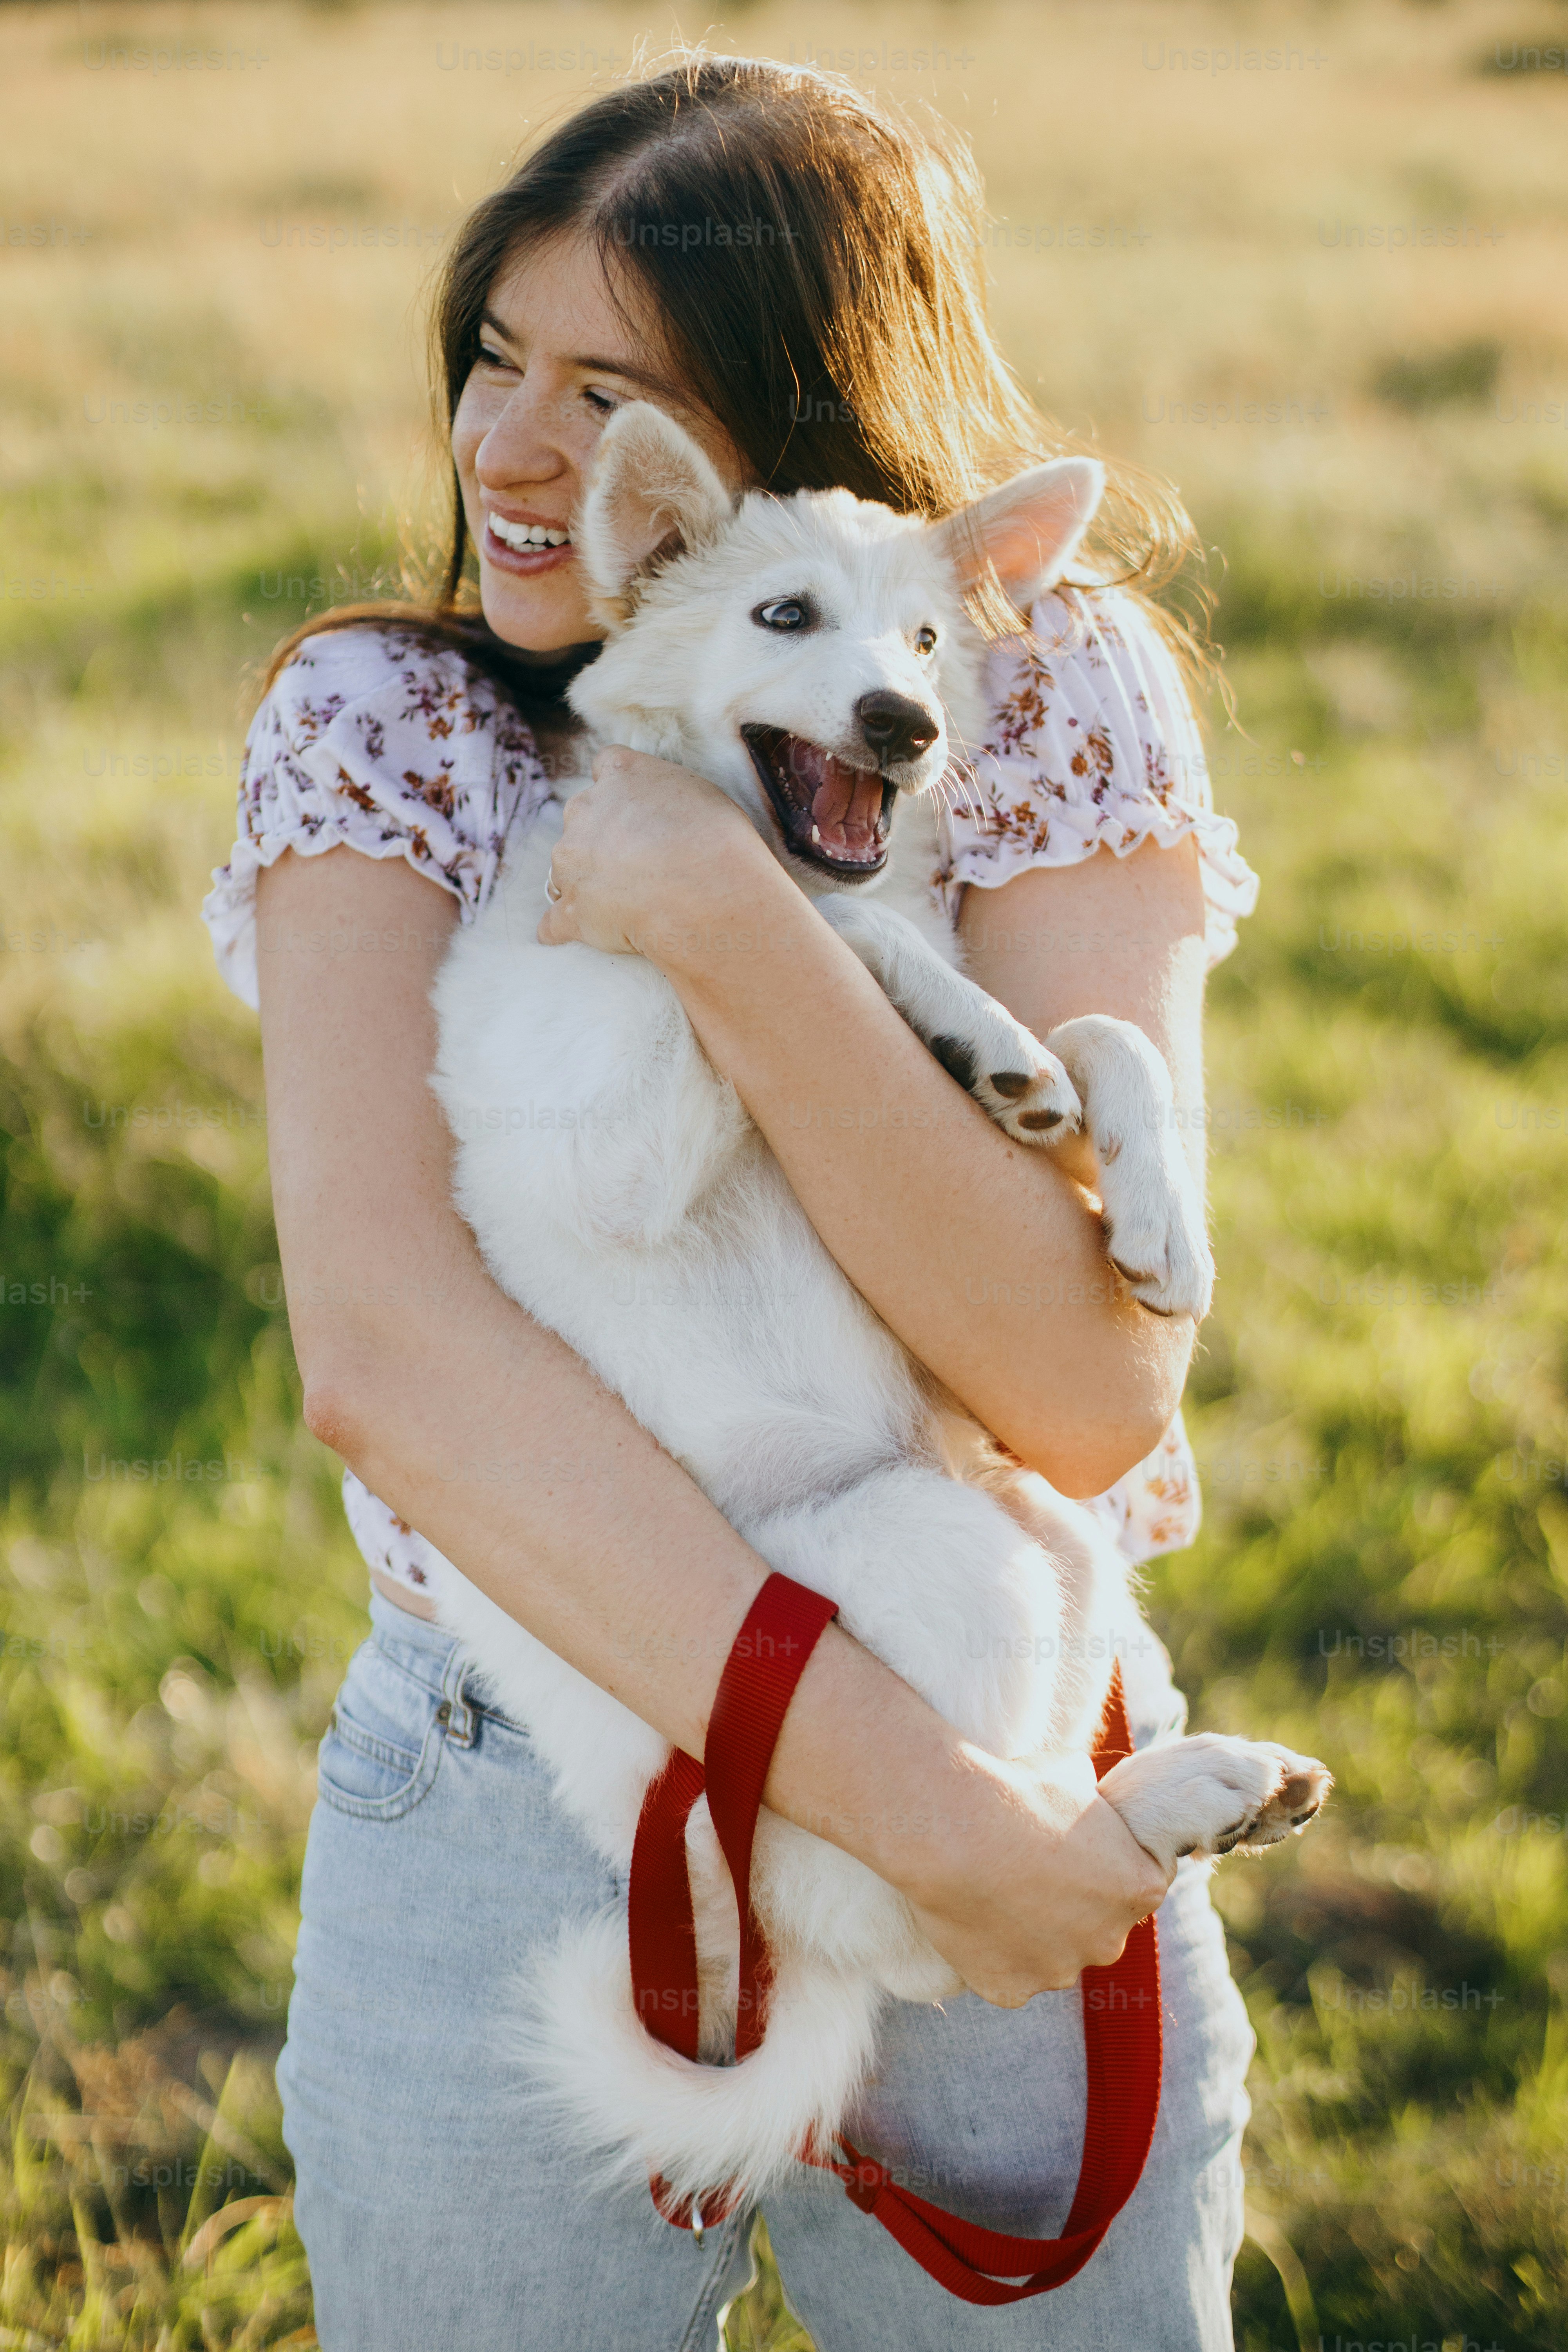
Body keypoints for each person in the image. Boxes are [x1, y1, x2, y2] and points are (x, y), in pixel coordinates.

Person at [203, 55, 1261, 2352]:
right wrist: (950, 1847)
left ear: (773, 437)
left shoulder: (1038, 686)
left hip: (999, 1696)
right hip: (525, 1787)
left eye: (608, 391)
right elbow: (389, 1362)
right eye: (492, 354)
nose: (507, 448)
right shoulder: (392, 728)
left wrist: (721, 907)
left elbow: (1082, 1385)